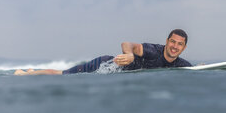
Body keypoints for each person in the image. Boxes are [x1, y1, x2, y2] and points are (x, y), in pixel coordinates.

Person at [14, 29, 192, 75]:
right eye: (172, 42)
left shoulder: (180, 64)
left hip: (117, 75)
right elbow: (127, 43)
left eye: (179, 44)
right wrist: (129, 54)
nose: (175, 47)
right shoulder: (153, 51)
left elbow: (198, 70)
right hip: (106, 65)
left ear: (183, 48)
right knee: (64, 74)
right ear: (167, 41)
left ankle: (33, 72)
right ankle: (24, 74)